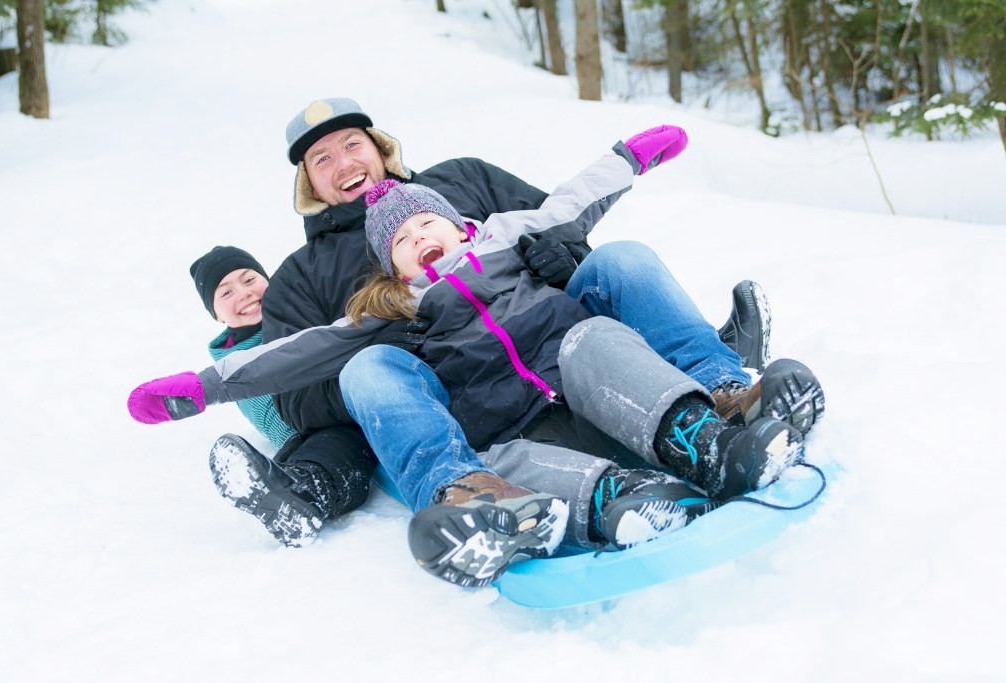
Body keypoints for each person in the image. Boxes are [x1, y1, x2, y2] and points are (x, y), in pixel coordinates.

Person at [128, 124, 824, 586]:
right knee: (398, 387)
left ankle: (717, 410)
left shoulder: (484, 211)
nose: (418, 237)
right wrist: (202, 385)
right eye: (321, 158)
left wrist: (629, 158)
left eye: (349, 145)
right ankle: (589, 501)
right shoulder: (339, 290)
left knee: (608, 296)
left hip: (588, 371)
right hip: (489, 414)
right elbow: (294, 362)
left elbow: (570, 205)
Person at [227, 96, 780, 550]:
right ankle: (504, 497)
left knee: (619, 260)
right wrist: (391, 350)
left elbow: (560, 219)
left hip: (562, 349)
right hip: (475, 398)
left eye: (352, 143)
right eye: (322, 159)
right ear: (307, 183)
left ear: (379, 146)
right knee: (372, 365)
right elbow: (299, 400)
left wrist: (561, 257)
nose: (344, 163)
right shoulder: (300, 277)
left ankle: (721, 386)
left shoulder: (462, 178)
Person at [188, 246, 375, 547]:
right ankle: (301, 495)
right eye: (226, 293)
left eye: (249, 280)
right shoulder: (232, 365)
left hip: (358, 389)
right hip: (321, 429)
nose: (244, 293)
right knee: (338, 448)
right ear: (215, 315)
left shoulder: (300, 311)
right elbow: (281, 421)